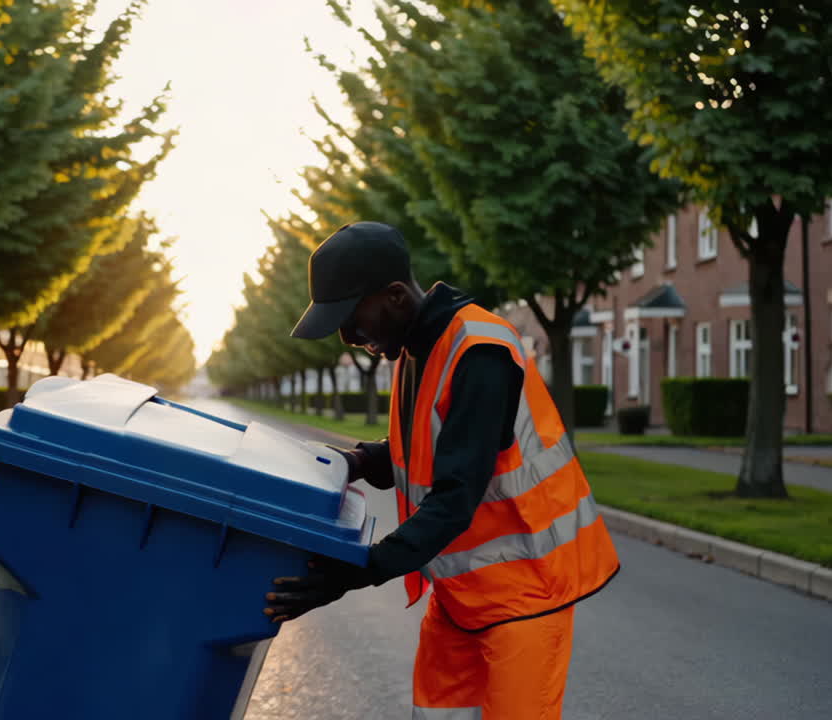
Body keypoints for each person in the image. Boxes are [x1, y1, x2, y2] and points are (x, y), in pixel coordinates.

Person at [264, 221, 620, 719]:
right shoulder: (413, 347)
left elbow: (456, 493)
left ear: (393, 296)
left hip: (527, 596)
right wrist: (359, 460)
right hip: (462, 597)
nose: (347, 336)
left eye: (350, 317)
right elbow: (426, 445)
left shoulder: (480, 352)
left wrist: (359, 570)